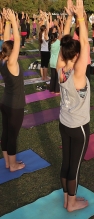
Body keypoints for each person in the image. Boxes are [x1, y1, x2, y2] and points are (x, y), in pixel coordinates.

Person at [56, 0, 90, 212]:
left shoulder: (61, 68)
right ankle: (71, 203)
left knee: (66, 162)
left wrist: (70, 16)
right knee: (74, 167)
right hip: (78, 127)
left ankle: (66, 199)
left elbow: (63, 42)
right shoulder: (78, 74)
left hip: (64, 123)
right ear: (76, 56)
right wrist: (80, 17)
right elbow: (85, 43)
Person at [0, 8, 26, 172]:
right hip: (15, 105)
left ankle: (7, 163)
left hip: (5, 103)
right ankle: (13, 165)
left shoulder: (2, 60)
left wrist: (8, 22)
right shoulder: (11, 63)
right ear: (13, 53)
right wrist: (14, 22)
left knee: (6, 132)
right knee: (12, 136)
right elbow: (16, 38)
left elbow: (5, 39)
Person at [49, 20, 62, 94]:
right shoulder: (57, 42)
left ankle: (52, 89)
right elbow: (60, 33)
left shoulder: (50, 43)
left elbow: (54, 34)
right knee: (57, 77)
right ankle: (57, 90)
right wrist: (57, 25)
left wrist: (54, 26)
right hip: (57, 62)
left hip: (51, 62)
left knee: (53, 77)